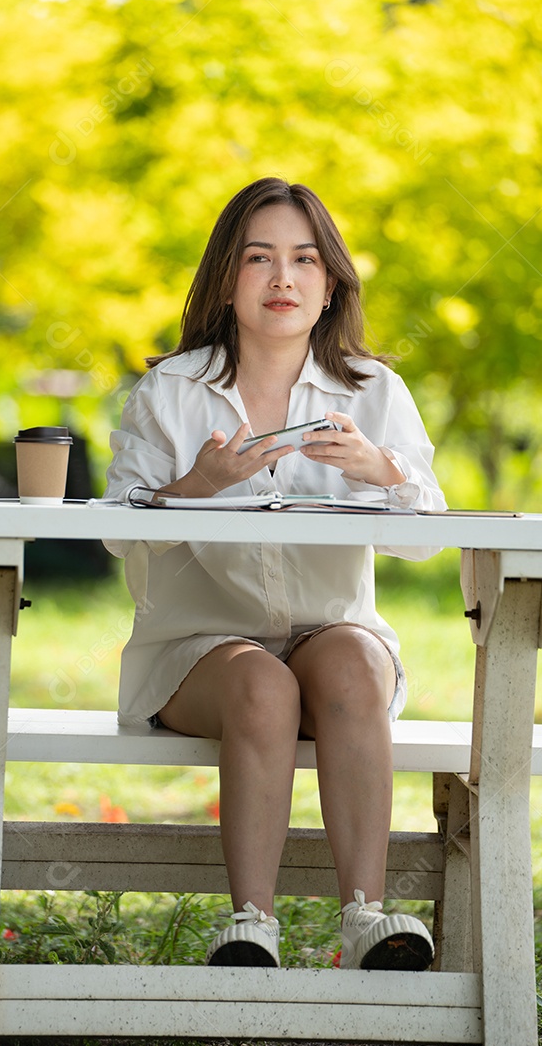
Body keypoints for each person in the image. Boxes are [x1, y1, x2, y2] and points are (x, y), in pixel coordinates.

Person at [103, 177, 447, 971]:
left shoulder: (372, 391)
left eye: (303, 260)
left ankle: (365, 917)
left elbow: (426, 535)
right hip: (200, 653)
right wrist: (195, 488)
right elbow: (118, 531)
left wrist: (380, 468)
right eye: (258, 258)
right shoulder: (172, 390)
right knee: (263, 684)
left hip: (329, 642)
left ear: (329, 285)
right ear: (226, 279)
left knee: (354, 658)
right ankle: (250, 924)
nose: (282, 278)